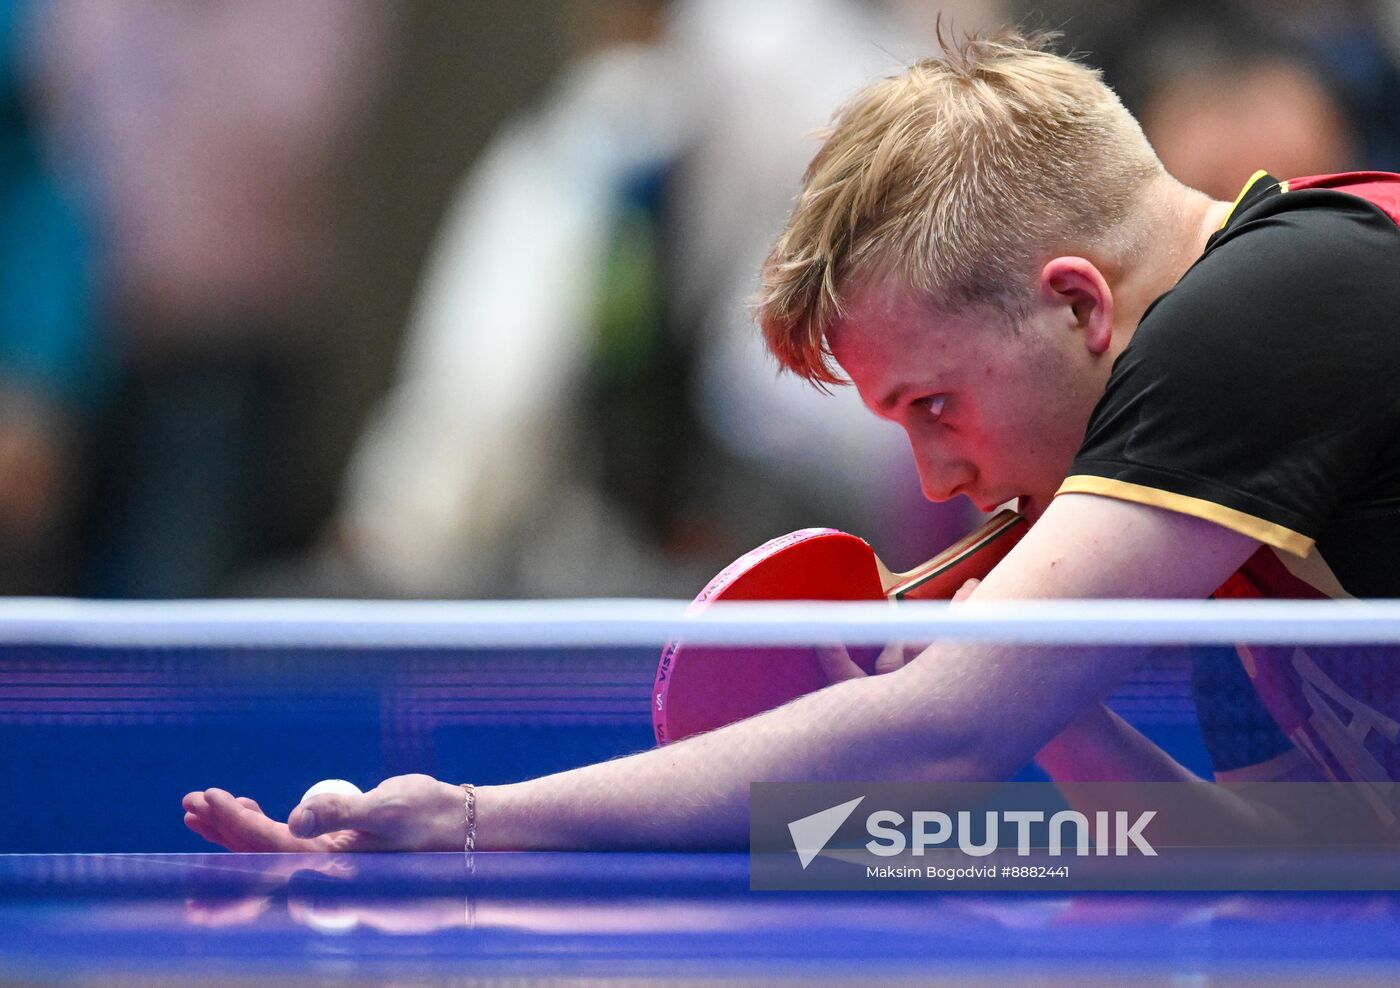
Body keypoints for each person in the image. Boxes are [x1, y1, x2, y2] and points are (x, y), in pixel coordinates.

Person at [183, 29, 1400, 853]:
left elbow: (939, 735)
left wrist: (471, 818)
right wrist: (1055, 704)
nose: (934, 478)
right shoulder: (1244, 562)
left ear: (1077, 303)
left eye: (934, 404)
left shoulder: (1267, 306)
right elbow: (1283, 864)